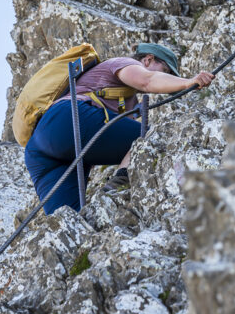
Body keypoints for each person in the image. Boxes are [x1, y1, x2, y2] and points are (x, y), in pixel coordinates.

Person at [24, 42, 214, 214]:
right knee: (155, 137)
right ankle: (119, 181)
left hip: (39, 147)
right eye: (166, 71)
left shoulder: (127, 101)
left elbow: (124, 140)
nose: (167, 77)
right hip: (67, 118)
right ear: (148, 60)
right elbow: (147, 81)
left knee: (70, 220)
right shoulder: (123, 63)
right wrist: (188, 82)